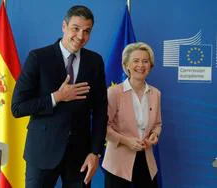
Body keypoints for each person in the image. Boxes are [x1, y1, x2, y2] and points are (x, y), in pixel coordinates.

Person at [11, 5, 108, 188]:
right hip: (42, 153)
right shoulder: (38, 58)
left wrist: (95, 152)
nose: (80, 36)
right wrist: (57, 97)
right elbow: (18, 107)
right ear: (64, 26)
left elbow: (101, 111)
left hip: (80, 157)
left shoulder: (95, 61)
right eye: (75, 28)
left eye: (87, 31)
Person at [102, 42, 162, 188]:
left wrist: (155, 135)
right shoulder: (114, 92)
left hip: (146, 159)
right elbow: (103, 127)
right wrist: (125, 141)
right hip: (118, 163)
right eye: (136, 61)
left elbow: (158, 124)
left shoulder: (155, 93)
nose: (141, 65)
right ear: (126, 65)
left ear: (151, 66)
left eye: (145, 61)